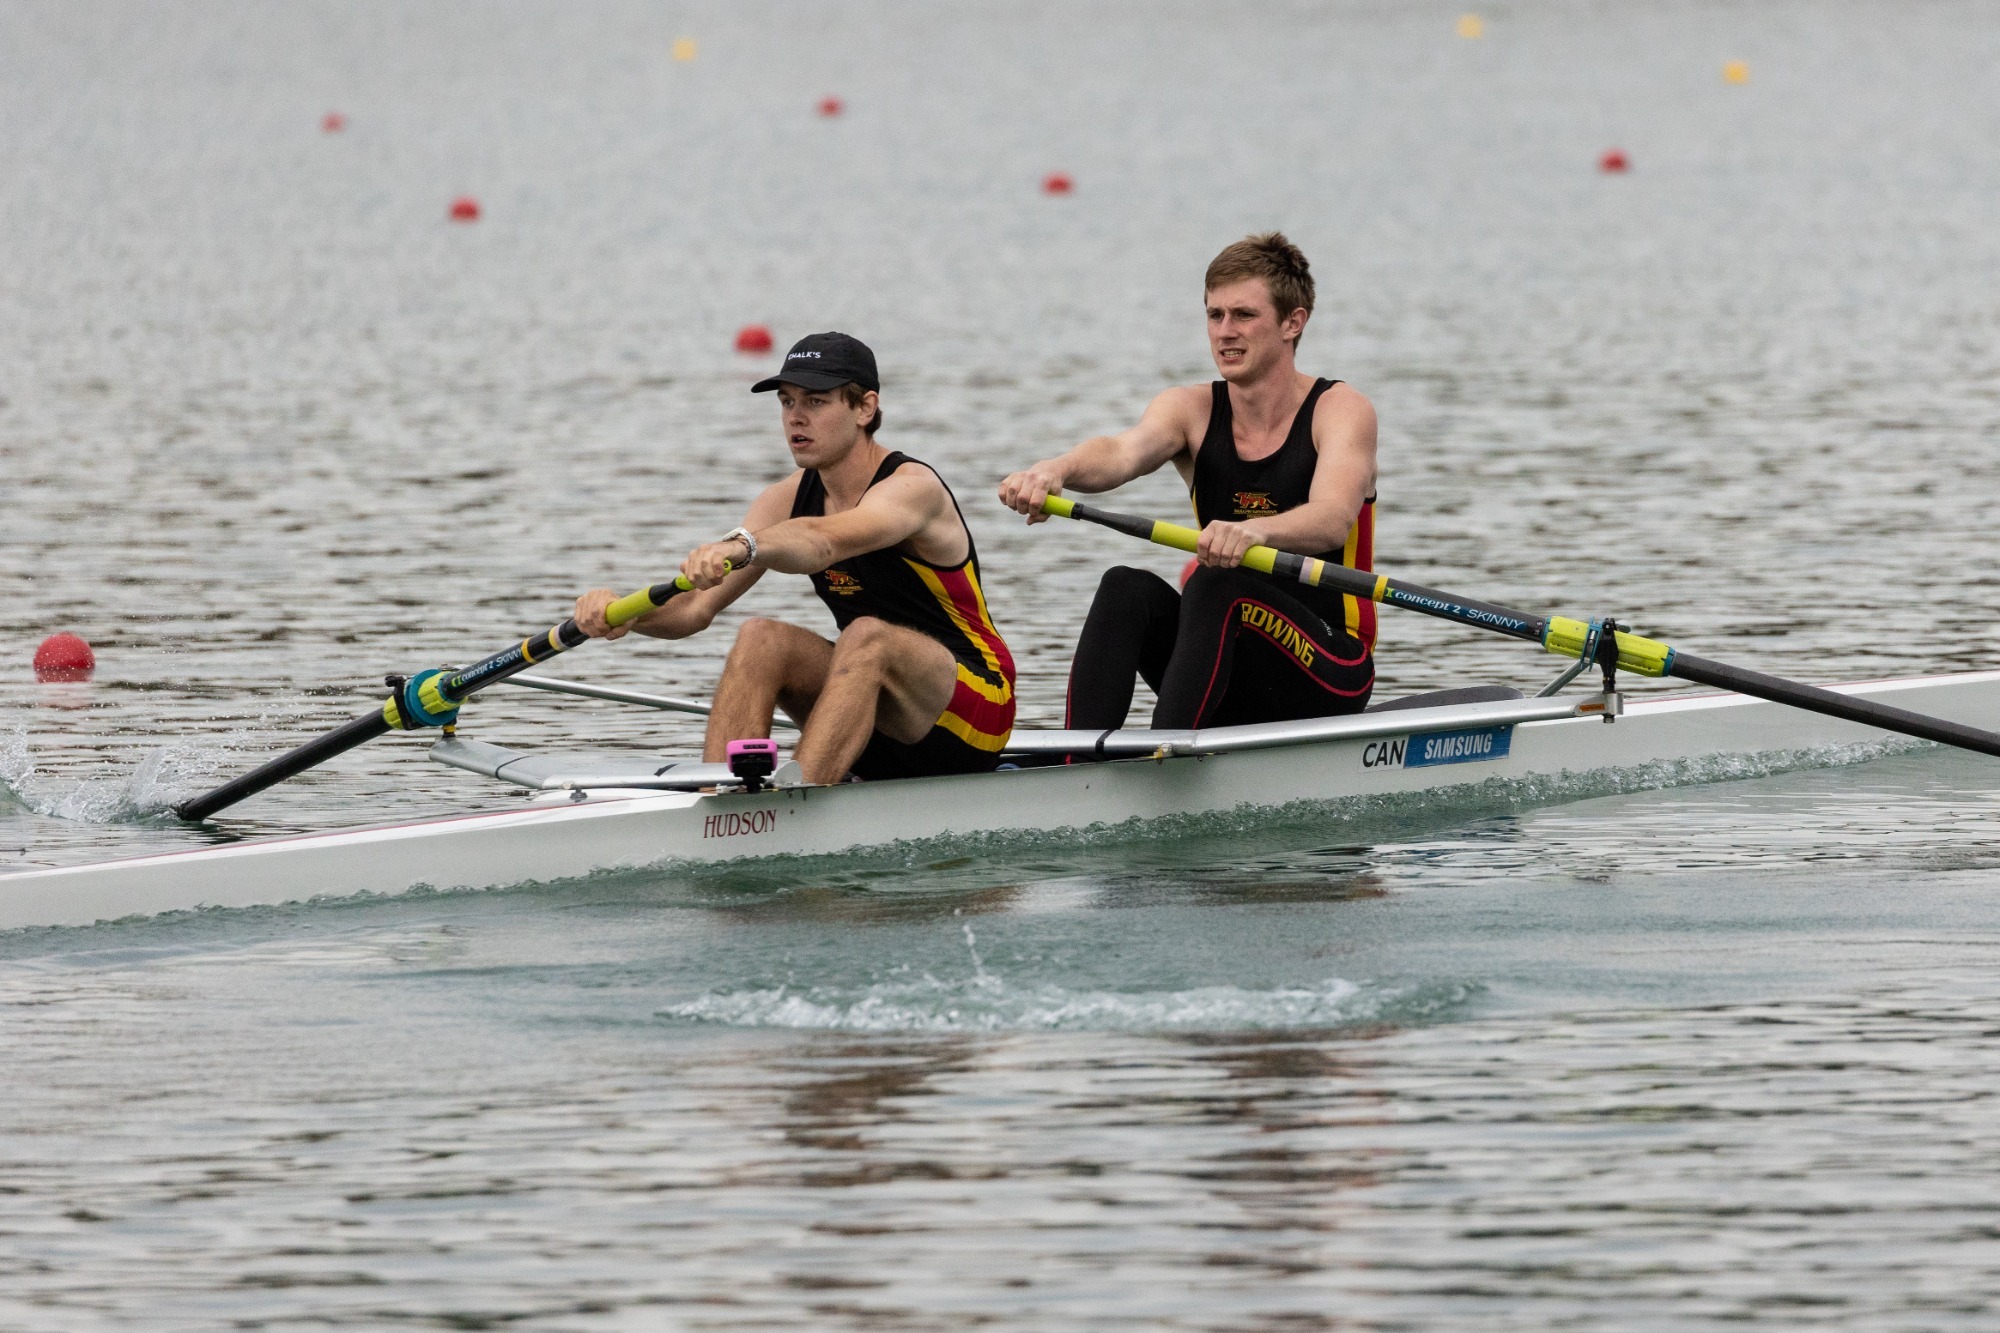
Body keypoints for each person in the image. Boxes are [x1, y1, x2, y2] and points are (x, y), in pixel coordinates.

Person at [573, 332, 1015, 783]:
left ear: (864, 408)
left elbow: (821, 542)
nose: (796, 418)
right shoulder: (783, 499)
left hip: (975, 710)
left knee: (867, 636)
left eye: (816, 402)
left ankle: (799, 802)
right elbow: (693, 609)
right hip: (872, 713)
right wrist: (625, 612)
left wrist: (744, 546)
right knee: (761, 637)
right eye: (786, 402)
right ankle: (718, 804)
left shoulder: (911, 488)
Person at [997, 232, 1377, 731]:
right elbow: (1119, 452)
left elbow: (1332, 519)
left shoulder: (1341, 410)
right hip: (1225, 664)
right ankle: (1078, 768)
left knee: (1219, 582)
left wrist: (1255, 530)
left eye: (1243, 315)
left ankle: (1167, 754)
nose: (1224, 331)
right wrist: (1055, 471)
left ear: (1293, 323)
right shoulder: (1190, 410)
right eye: (1214, 315)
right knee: (1124, 588)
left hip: (1329, 664)